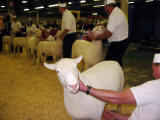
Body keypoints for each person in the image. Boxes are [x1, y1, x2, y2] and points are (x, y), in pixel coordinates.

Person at [78, 53, 160, 120]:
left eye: (154, 66)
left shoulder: (155, 87)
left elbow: (118, 98)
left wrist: (86, 89)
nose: (152, 68)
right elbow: (145, 116)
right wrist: (117, 116)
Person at [88, 0, 128, 67]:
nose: (105, 10)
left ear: (107, 7)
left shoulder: (114, 15)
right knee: (117, 63)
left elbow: (108, 34)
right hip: (121, 42)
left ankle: (114, 76)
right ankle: (118, 75)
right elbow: (112, 29)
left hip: (118, 44)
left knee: (109, 63)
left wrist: (95, 38)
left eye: (105, 7)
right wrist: (105, 29)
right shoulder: (117, 12)